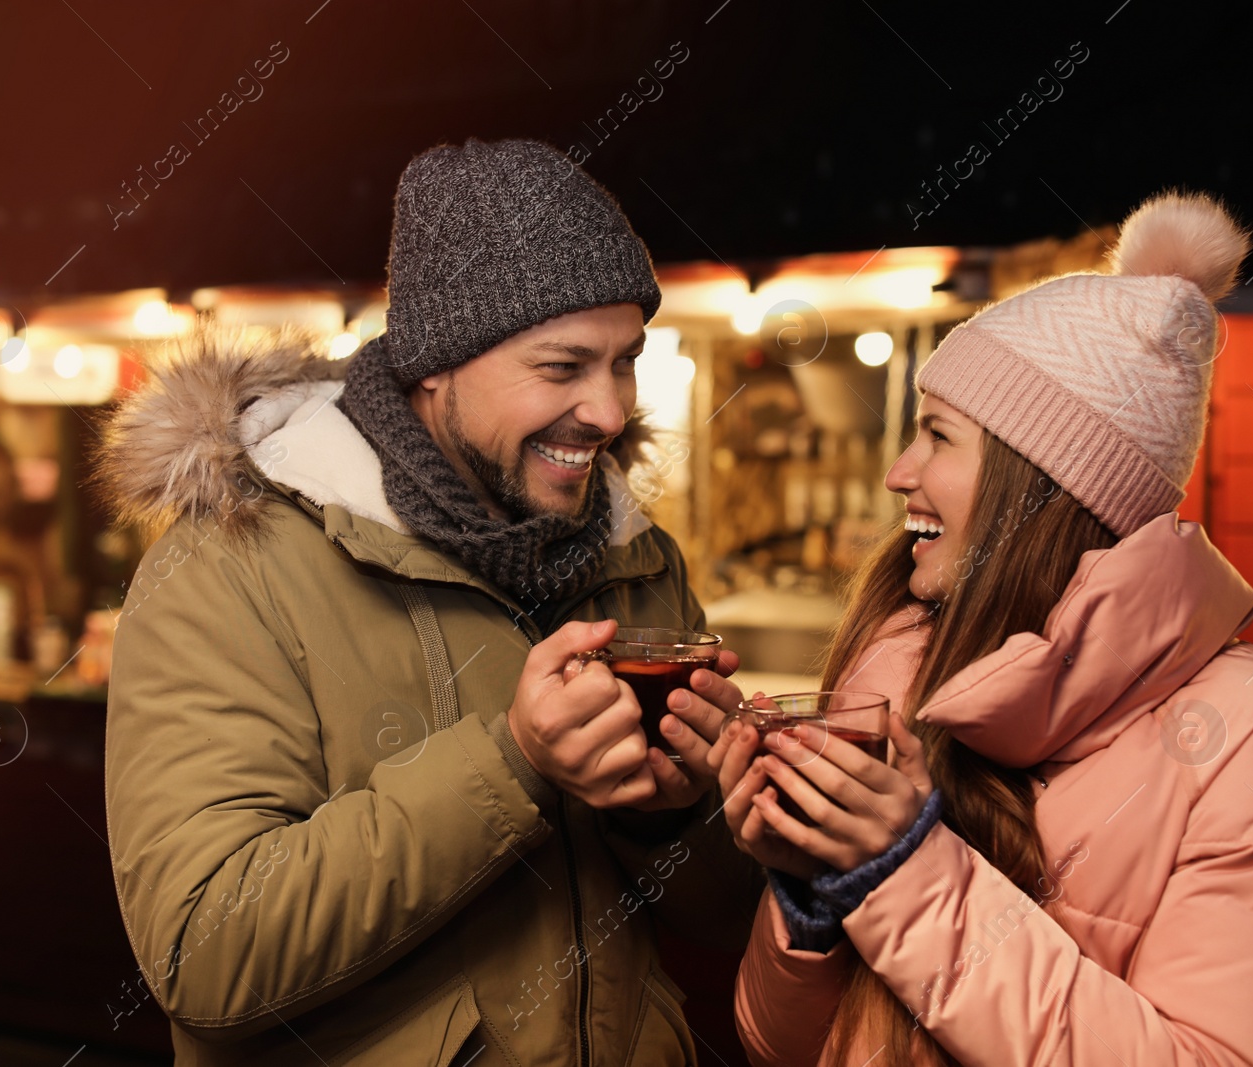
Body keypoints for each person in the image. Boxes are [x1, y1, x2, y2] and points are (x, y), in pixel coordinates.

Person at [98, 138, 763, 1066]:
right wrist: (514, 763)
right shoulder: (229, 566)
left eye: (625, 362)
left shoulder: (636, 555)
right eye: (564, 366)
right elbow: (203, 954)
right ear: (434, 364)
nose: (610, 412)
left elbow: (730, 914)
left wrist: (672, 816)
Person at [705, 192, 1253, 1065]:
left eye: (937, 436)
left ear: (1039, 486)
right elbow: (785, 1046)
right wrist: (810, 887)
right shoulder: (894, 667)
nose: (900, 472)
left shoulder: (1248, 734)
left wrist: (906, 872)